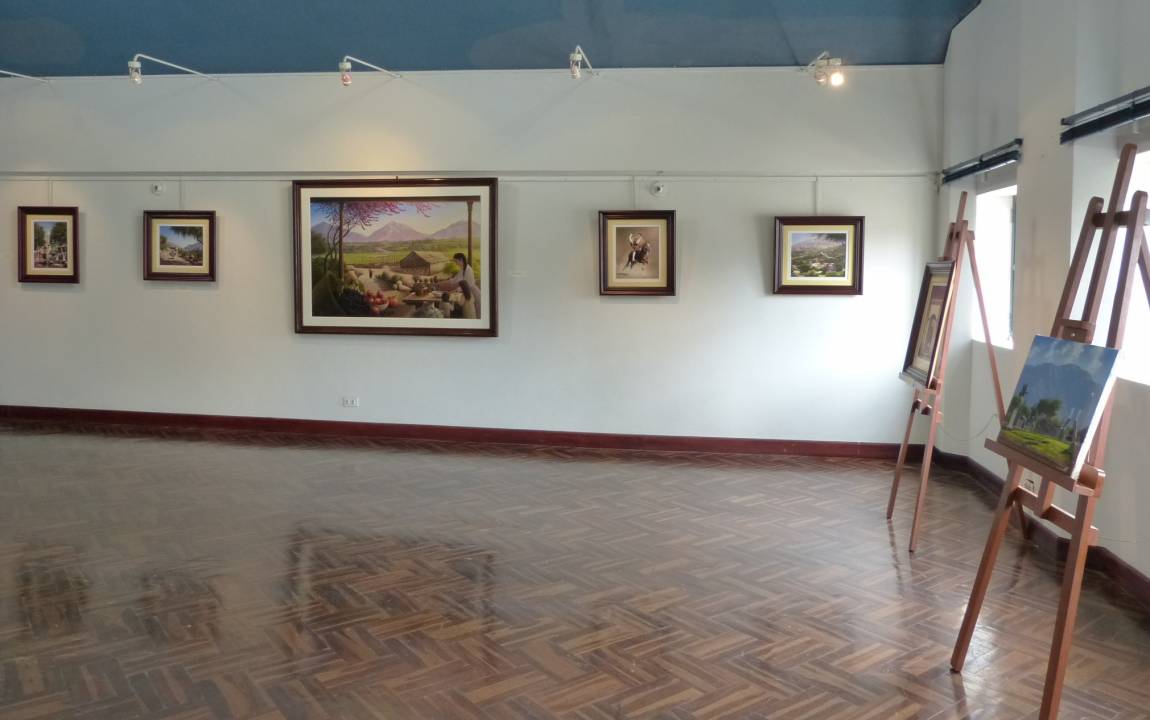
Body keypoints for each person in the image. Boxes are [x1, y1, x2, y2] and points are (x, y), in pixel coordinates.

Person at [438, 253, 481, 318]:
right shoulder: (462, 269)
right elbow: (455, 280)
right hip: (467, 291)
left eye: (456, 261)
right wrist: (443, 282)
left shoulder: (468, 270)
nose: (456, 263)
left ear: (461, 260)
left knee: (475, 313)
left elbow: (466, 285)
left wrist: (453, 291)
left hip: (472, 292)